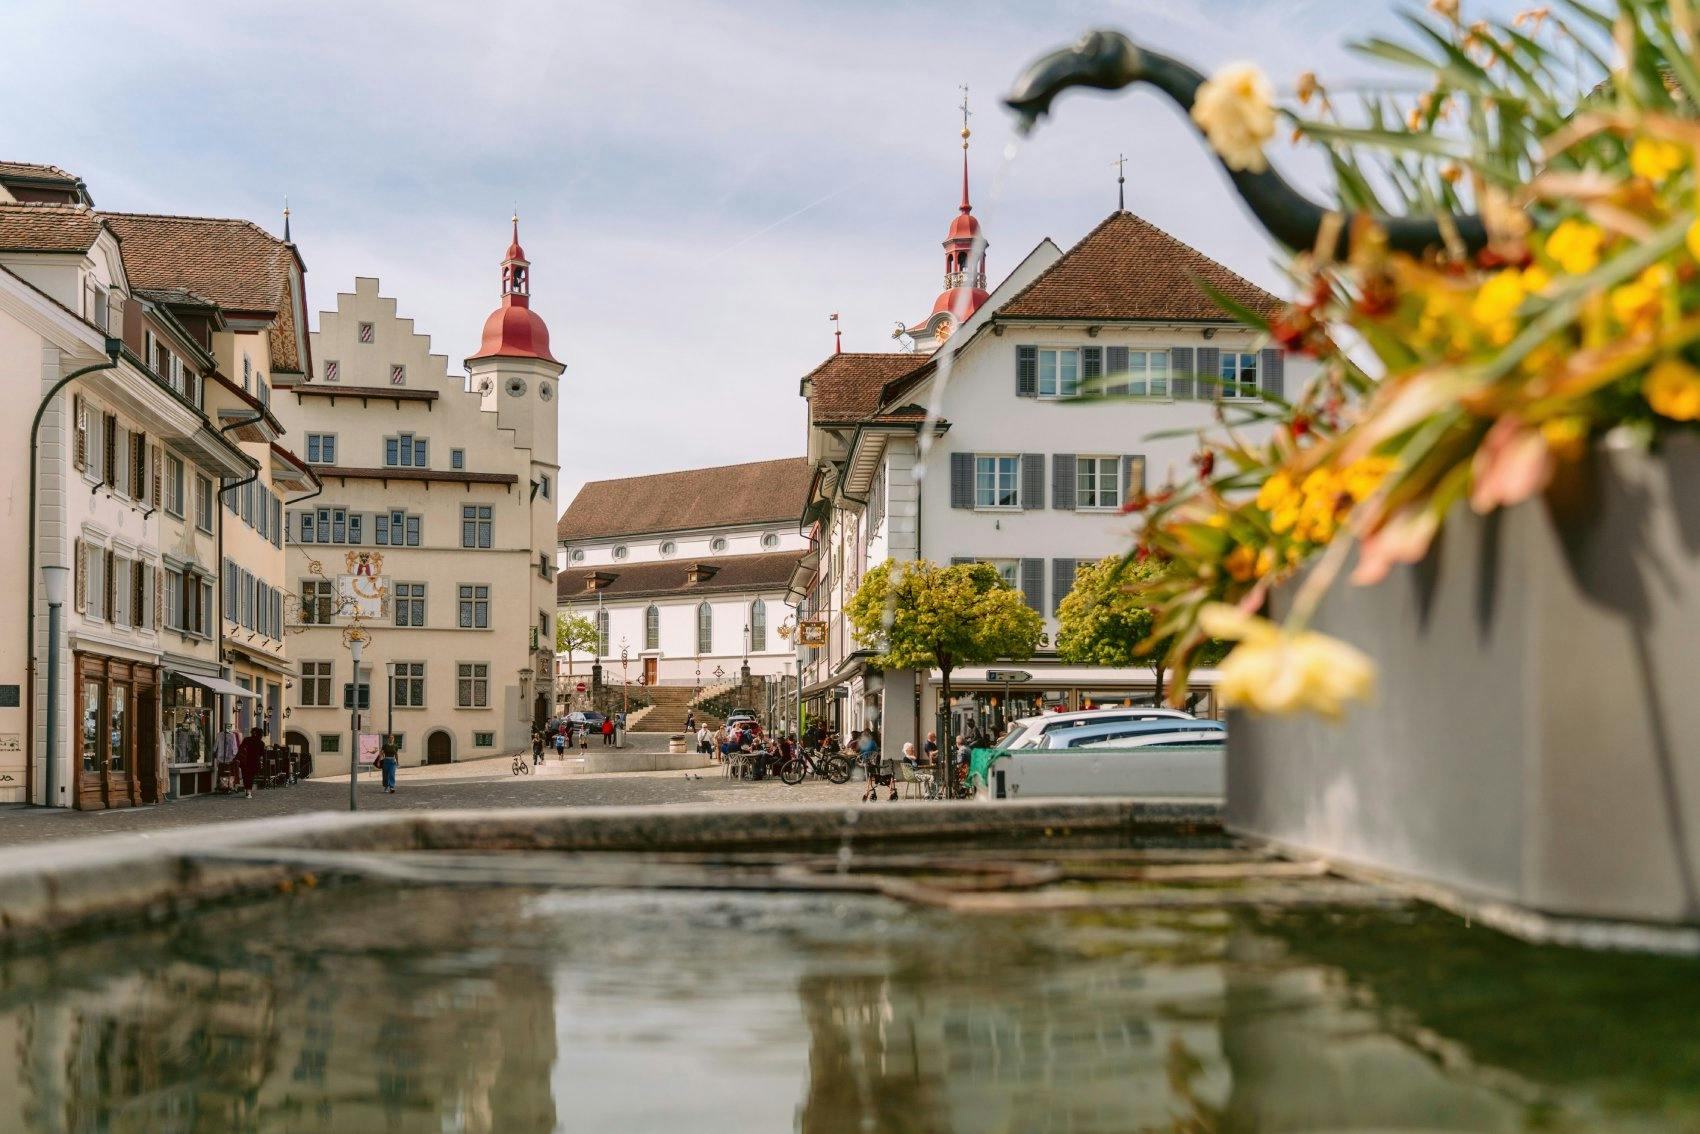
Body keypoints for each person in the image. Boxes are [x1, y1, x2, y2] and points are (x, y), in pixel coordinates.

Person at [236, 726, 265, 799]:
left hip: (244, 762)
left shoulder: (246, 739)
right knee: (250, 777)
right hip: (254, 762)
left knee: (245, 776)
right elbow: (262, 754)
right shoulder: (261, 743)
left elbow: (240, 748)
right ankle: (248, 791)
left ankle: (247, 790)